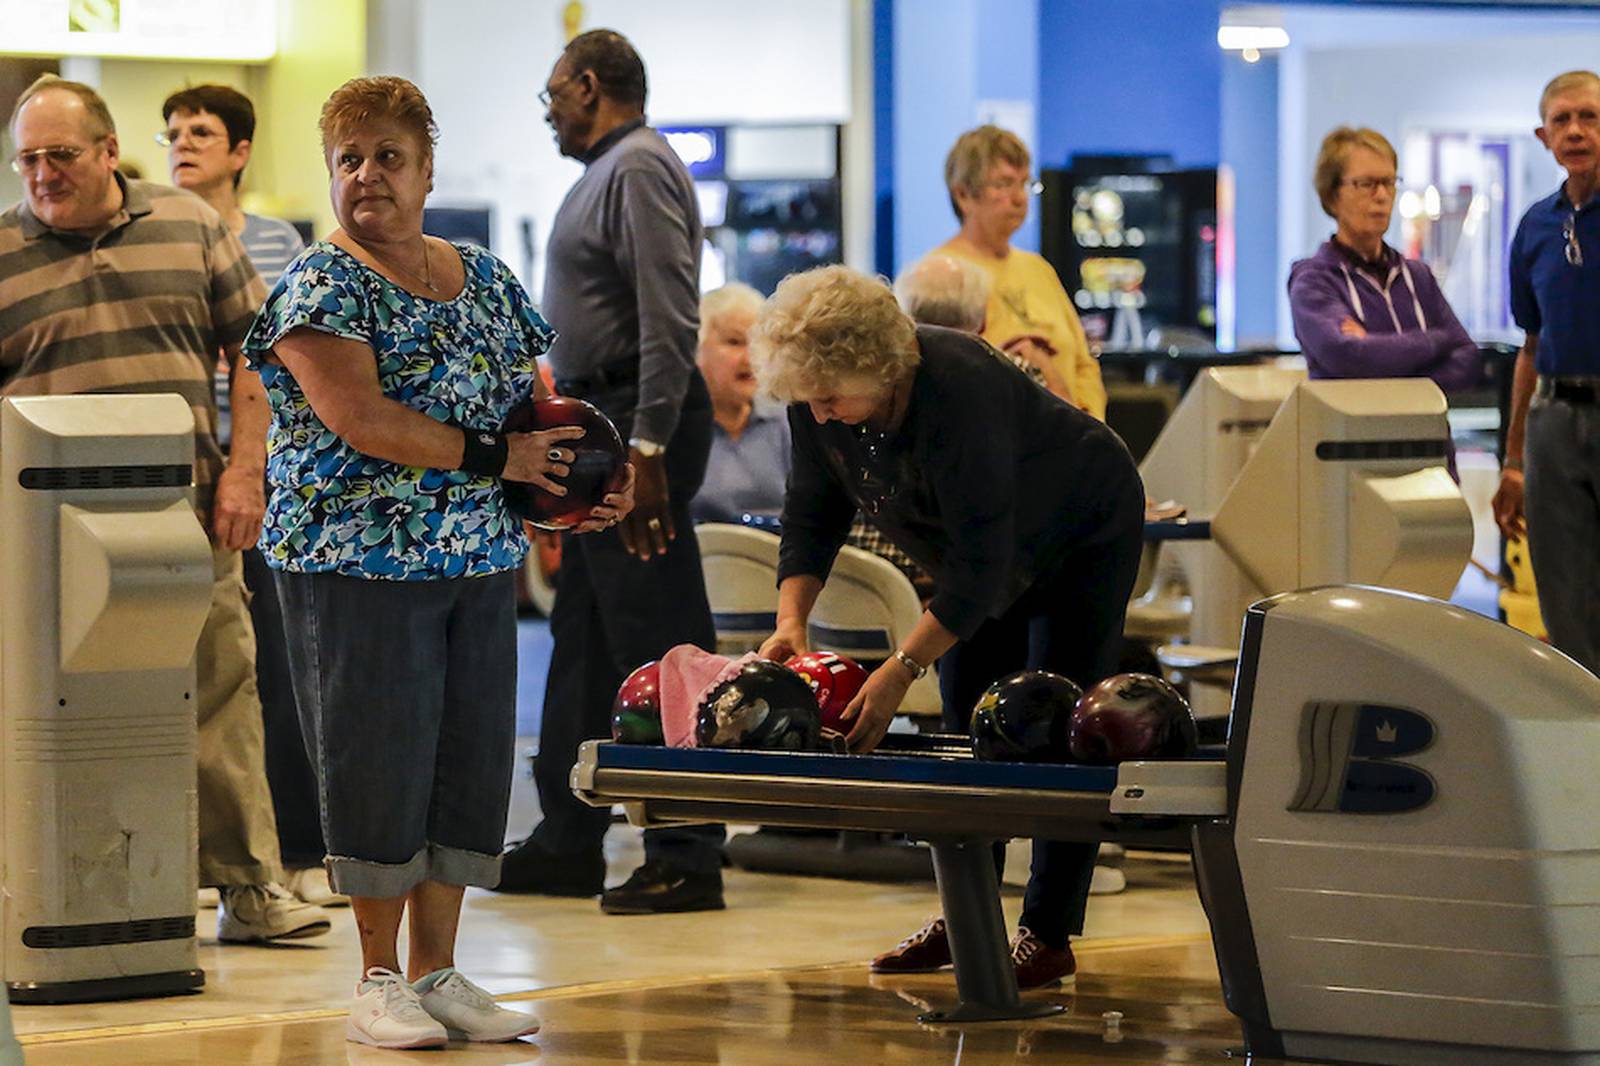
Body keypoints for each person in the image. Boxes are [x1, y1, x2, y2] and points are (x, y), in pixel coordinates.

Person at [242, 75, 630, 1048]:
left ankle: (441, 972)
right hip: (354, 561)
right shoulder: (322, 284)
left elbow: (538, 404)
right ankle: (377, 980)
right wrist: (505, 460)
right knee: (380, 761)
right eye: (349, 159)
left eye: (388, 157)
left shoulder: (488, 278)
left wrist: (586, 485)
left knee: (466, 761)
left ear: (426, 168)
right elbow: (360, 418)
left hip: (476, 555)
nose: (367, 175)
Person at [0, 75, 329, 945]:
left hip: (185, 513)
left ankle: (249, 887)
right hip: (40, 536)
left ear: (109, 151)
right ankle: (47, 892)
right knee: (42, 713)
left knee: (222, 688)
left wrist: (245, 473)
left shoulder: (189, 227)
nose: (42, 174)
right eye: (27, 159)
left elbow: (257, 355)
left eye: (61, 155)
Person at [751, 266, 1145, 988]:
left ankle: (1047, 931)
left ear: (878, 366)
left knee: (1060, 723)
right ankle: (969, 919)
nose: (824, 414)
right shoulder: (820, 401)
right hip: (977, 553)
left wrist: (899, 669)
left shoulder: (960, 388)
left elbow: (980, 566)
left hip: (1080, 530)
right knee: (968, 725)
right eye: (810, 400)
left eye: (833, 397)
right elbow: (812, 512)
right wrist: (790, 621)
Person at [496, 29, 726, 915]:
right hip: (603, 419)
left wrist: (649, 450)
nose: (549, 109)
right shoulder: (609, 170)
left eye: (554, 91)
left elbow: (671, 316)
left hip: (637, 421)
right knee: (585, 641)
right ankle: (567, 837)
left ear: (590, 86)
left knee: (661, 641)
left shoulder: (635, 167)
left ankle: (688, 850)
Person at [160, 83, 336, 909]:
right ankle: (200, 859)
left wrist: (261, 464)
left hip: (271, 474)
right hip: (182, 478)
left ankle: (298, 850)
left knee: (272, 662)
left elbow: (286, 360)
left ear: (239, 151)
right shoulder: (154, 233)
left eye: (200, 131)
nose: (181, 143)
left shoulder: (278, 244)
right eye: (172, 132)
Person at [1494, 70, 1600, 676]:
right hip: (1554, 423)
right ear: (1543, 135)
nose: (1576, 131)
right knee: (1563, 602)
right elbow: (1530, 345)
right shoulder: (1535, 226)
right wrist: (1513, 461)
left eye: (1588, 116)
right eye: (1562, 120)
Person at [1287, 126, 1482, 398]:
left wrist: (1385, 365)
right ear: (1332, 196)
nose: (1381, 196)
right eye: (1366, 184)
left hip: (1425, 437)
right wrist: (1435, 340)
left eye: (1389, 183)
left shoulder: (1418, 277)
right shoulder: (1315, 281)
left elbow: (1468, 358)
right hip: (1354, 438)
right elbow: (1348, 356)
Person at [934, 125, 1106, 419]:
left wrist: (1087, 422)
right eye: (1003, 184)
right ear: (963, 195)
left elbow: (1083, 362)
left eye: (1025, 184)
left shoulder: (1038, 269)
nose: (1019, 198)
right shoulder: (939, 275)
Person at [691, 282, 789, 524]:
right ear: (696, 350)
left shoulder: (788, 422)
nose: (750, 357)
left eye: (757, 344)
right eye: (734, 342)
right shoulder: (675, 428)